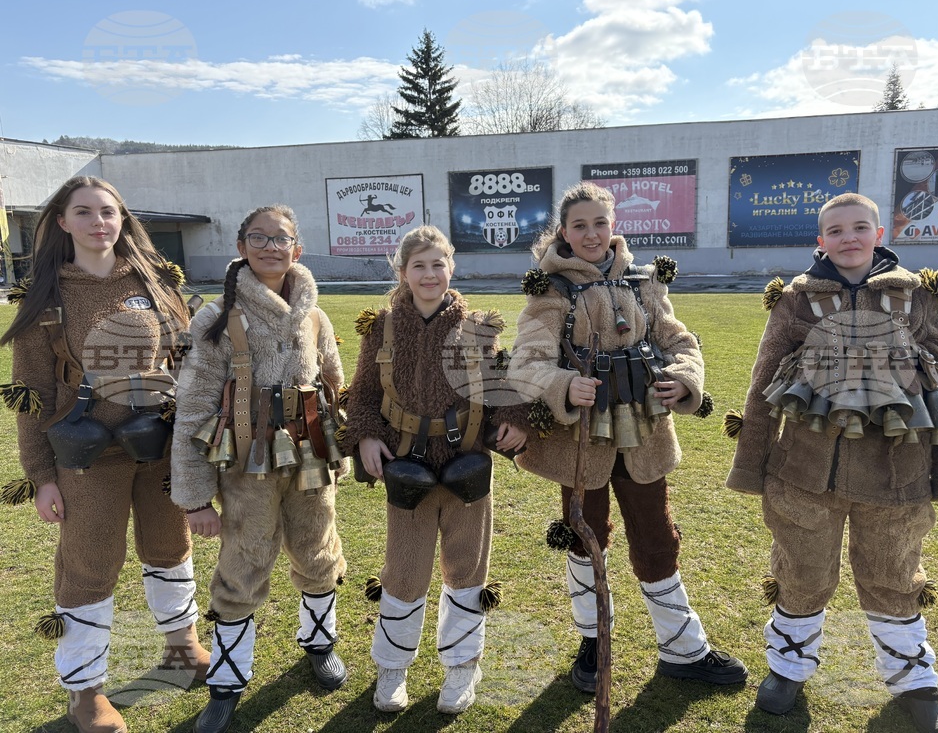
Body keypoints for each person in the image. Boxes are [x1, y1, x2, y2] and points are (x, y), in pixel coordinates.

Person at [727, 192, 938, 733]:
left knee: (893, 572)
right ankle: (789, 666)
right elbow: (764, 382)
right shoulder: (796, 299)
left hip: (898, 473)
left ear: (879, 234)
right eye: (835, 231)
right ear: (821, 241)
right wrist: (752, 465)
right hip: (805, 472)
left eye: (859, 227)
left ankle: (914, 678)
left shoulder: (917, 296)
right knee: (802, 570)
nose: (848, 239)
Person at [508, 182, 747, 695]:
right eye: (579, 226)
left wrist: (684, 378)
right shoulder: (549, 291)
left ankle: (684, 649)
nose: (591, 234)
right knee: (584, 536)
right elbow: (525, 363)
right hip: (579, 443)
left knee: (657, 538)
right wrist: (563, 384)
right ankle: (594, 642)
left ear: (613, 226)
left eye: (600, 223)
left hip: (645, 438)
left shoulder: (645, 283)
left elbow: (680, 340)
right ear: (564, 233)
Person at [0, 176, 208, 733]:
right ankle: (85, 691)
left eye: (109, 211)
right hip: (87, 457)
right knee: (89, 568)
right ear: (62, 223)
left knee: (170, 546)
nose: (99, 222)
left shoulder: (157, 283)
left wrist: (198, 449)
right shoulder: (46, 298)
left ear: (122, 219)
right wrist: (41, 475)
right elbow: (31, 396)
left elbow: (188, 366)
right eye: (84, 212)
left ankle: (183, 649)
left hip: (159, 446)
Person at [169, 205, 349, 733]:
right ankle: (226, 681)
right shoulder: (217, 317)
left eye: (281, 238)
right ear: (243, 246)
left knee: (318, 551)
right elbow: (195, 405)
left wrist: (340, 448)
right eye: (258, 237)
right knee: (243, 562)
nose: (270, 246)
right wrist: (196, 497)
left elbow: (335, 385)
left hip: (310, 456)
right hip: (245, 465)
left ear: (297, 248)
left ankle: (320, 643)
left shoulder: (315, 315)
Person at [342, 225, 529, 715]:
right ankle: (392, 666)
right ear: (401, 272)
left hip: (467, 467)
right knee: (403, 572)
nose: (429, 274)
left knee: (467, 571)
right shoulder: (380, 328)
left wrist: (512, 419)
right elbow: (362, 393)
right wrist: (364, 434)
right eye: (419, 265)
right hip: (407, 469)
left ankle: (463, 666)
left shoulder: (478, 327)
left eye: (438, 263)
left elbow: (501, 385)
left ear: (452, 267)